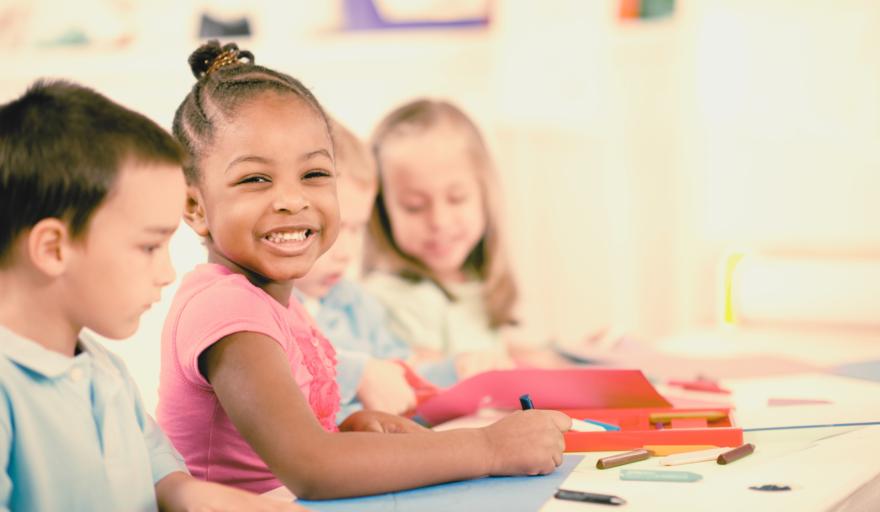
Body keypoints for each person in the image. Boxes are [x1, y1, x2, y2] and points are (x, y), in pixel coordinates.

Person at [156, 40, 570, 500]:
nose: (293, 199)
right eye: (256, 179)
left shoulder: (277, 302)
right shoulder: (225, 308)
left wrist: (350, 431)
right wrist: (488, 447)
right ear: (194, 205)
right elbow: (312, 467)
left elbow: (304, 449)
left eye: (314, 174)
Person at [0, 80, 302, 511]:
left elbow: (168, 480)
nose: (167, 272)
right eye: (149, 247)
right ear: (53, 248)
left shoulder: (104, 372)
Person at [294, 119, 457, 421]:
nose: (346, 252)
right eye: (331, 228)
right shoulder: (269, 308)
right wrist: (357, 375)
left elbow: (402, 379)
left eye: (356, 229)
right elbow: (287, 374)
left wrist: (456, 371)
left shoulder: (357, 303)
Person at [364, 99, 521, 377]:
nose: (439, 221)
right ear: (383, 210)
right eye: (415, 206)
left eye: (456, 199)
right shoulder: (382, 299)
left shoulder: (477, 283)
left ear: (485, 195)